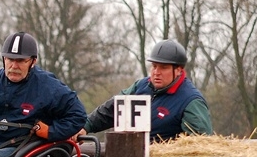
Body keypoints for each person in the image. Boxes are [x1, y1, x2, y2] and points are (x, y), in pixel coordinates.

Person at [76, 39, 212, 142]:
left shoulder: (191, 101)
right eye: (154, 66)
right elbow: (112, 109)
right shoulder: (141, 86)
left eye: (163, 67)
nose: (156, 72)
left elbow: (199, 147)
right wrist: (85, 126)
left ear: (178, 70)